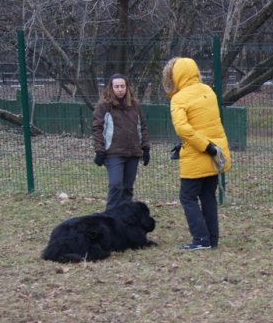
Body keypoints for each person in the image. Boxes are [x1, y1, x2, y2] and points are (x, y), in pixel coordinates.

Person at [162, 57, 231, 251]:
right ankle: (212, 239)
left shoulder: (179, 98)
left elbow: (183, 128)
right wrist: (210, 147)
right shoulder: (208, 91)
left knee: (187, 197)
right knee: (208, 195)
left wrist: (205, 146)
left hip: (199, 154)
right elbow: (205, 123)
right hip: (216, 152)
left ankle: (200, 239)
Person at [92, 74, 150, 211]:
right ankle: (109, 216)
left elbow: (142, 126)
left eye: (122, 86)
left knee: (128, 188)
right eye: (116, 86)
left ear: (127, 87)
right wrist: (99, 151)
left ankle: (125, 219)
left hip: (133, 152)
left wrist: (146, 149)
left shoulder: (135, 105)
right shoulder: (104, 106)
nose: (120, 89)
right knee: (116, 185)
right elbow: (97, 128)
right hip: (113, 153)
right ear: (111, 88)